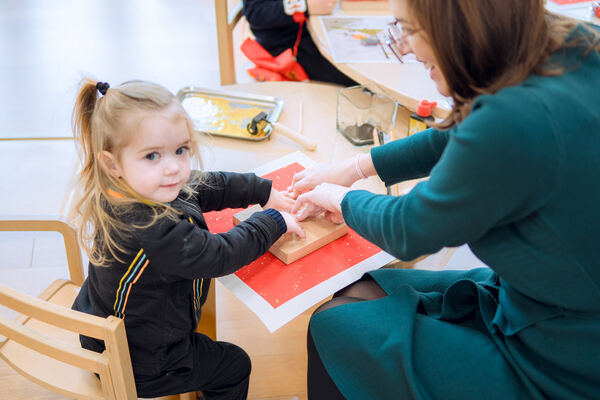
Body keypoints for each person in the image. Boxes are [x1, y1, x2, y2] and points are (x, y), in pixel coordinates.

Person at [288, 0, 600, 398]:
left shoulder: (511, 122)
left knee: (333, 324)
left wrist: (341, 198)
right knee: (360, 293)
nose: (404, 47)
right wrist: (356, 167)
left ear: (455, 26)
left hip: (561, 357)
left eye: (407, 29)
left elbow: (410, 228)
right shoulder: (570, 43)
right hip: (538, 300)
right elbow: (462, 131)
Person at [69, 78, 304, 399]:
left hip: (108, 328)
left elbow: (204, 184)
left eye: (180, 150)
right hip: (139, 361)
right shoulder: (151, 226)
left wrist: (263, 191)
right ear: (113, 163)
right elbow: (220, 255)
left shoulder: (127, 185)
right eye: (152, 156)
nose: (173, 168)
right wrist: (275, 221)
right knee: (235, 365)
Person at [243, 0, 357, 86]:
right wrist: (303, 6)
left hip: (313, 31)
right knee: (355, 75)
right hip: (286, 47)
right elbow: (255, 13)